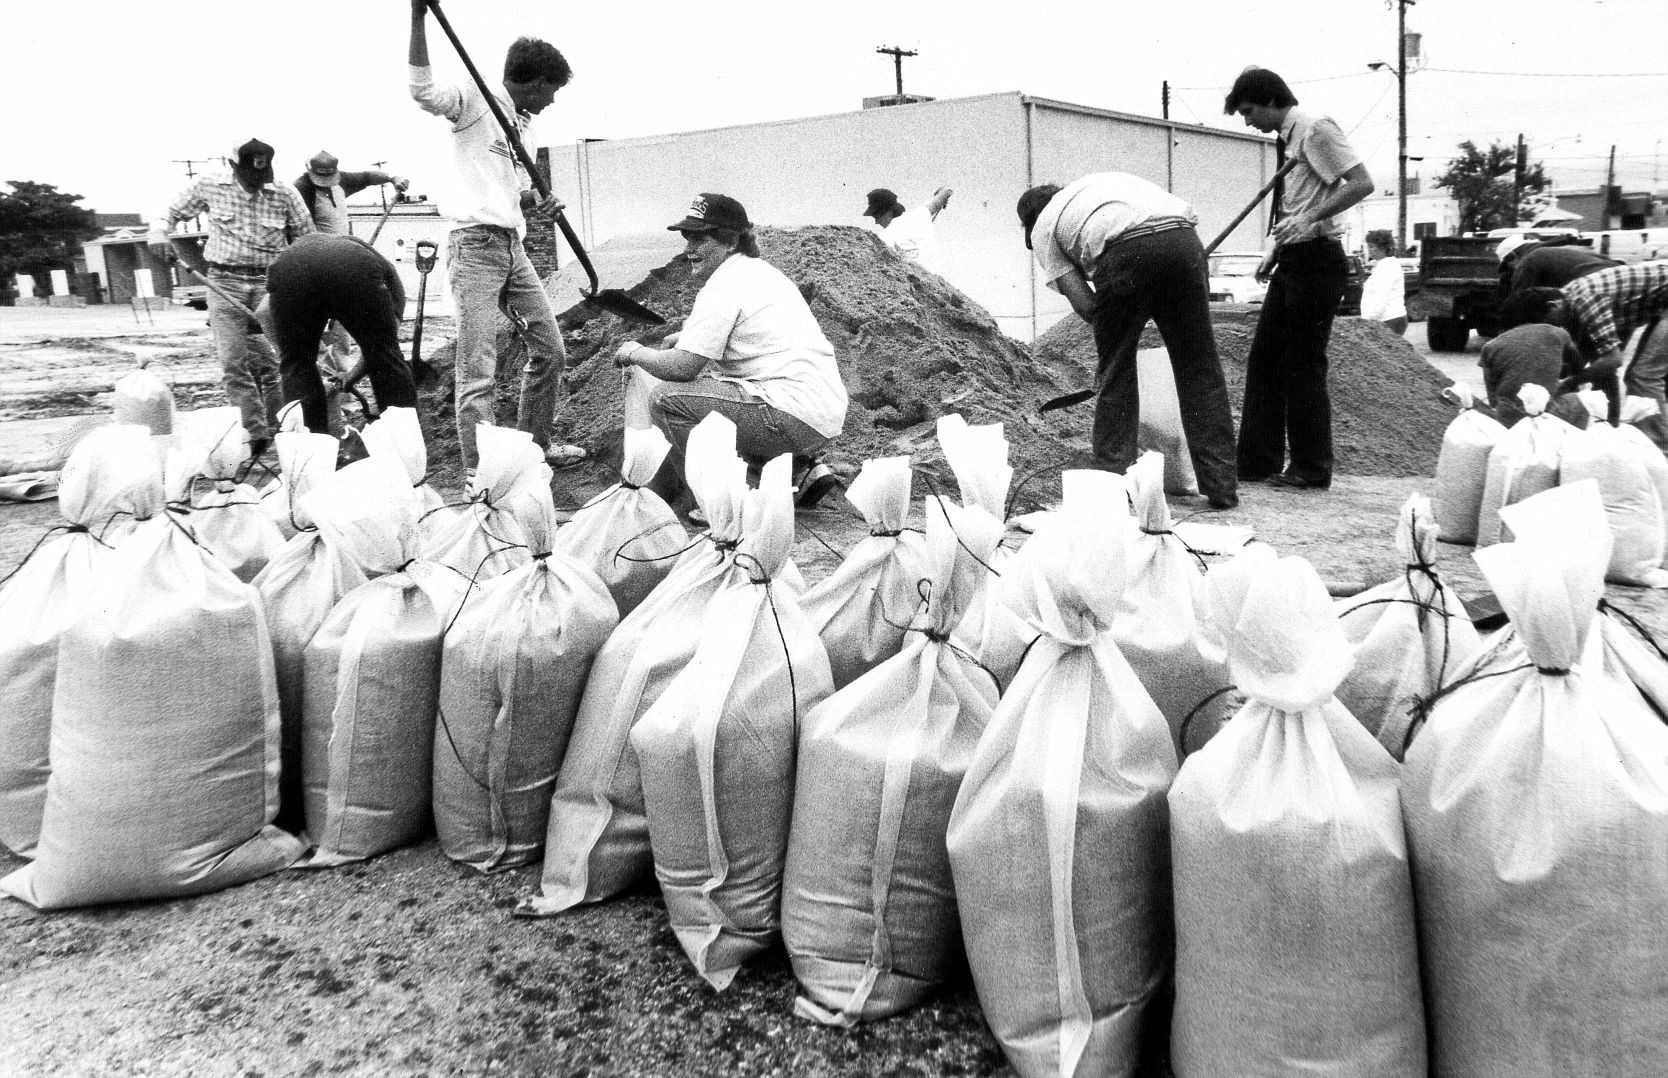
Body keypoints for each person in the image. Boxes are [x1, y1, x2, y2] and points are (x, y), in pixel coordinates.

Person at [408, 2, 584, 472]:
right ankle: (479, 474)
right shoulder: (474, 98)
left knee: (550, 349)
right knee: (478, 369)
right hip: (474, 247)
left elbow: (511, 193)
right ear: (533, 81)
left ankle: (533, 448)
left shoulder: (522, 124)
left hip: (512, 245)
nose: (551, 100)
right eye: (551, 90)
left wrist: (536, 203)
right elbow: (422, 91)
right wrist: (418, 19)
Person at [1016, 173, 1240, 509]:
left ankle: (1112, 483)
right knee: (1200, 367)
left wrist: (1123, 316)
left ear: (1029, 222)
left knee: (1116, 373)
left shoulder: (1044, 228)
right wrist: (1159, 304)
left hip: (1124, 254)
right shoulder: (1094, 190)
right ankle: (1222, 487)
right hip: (1183, 240)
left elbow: (1087, 306)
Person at [613, 193, 847, 510]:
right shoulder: (757, 271)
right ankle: (796, 470)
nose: (688, 250)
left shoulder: (722, 286)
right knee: (721, 390)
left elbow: (682, 368)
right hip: (817, 409)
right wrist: (687, 336)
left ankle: (726, 502)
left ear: (729, 241)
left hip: (790, 413)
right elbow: (754, 330)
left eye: (699, 239)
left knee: (667, 399)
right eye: (687, 238)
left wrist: (635, 353)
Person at [1225, 67, 1374, 490]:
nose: (1248, 120)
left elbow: (1361, 183)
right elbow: (1296, 202)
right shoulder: (1288, 139)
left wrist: (1309, 220)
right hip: (1294, 257)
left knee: (1302, 365)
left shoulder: (1315, 129)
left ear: (1273, 100)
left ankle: (1311, 467)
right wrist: (1275, 248)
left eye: (1250, 110)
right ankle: (1256, 461)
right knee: (1265, 359)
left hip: (1319, 260)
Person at [148, 138, 315, 457]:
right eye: (250, 176)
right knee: (234, 363)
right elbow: (168, 214)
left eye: (263, 175)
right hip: (224, 281)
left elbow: (308, 239)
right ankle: (253, 436)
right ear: (234, 166)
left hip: (271, 282)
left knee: (287, 360)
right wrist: (158, 232)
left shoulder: (283, 192)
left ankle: (287, 428)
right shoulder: (210, 185)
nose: (258, 183)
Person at [263, 234, 419, 438]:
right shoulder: (391, 287)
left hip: (289, 268)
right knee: (386, 357)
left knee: (297, 364)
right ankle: (404, 446)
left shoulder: (317, 253)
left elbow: (262, 314)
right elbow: (379, 349)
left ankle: (309, 454)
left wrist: (291, 350)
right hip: (350, 268)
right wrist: (355, 374)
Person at [1551, 261, 1668, 448]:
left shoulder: (1585, 301)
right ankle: (1624, 431)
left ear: (1552, 306)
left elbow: (1613, 360)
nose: (1555, 329)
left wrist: (1568, 383)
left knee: (1644, 376)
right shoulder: (1570, 300)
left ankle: (1660, 450)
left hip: (1664, 302)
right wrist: (1611, 426)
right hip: (1661, 302)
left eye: (1550, 323)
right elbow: (1601, 364)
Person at [1474, 288, 1591, 430]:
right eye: (1565, 308)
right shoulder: (1558, 333)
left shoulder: (1490, 346)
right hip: (1546, 415)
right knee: (1584, 402)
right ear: (1552, 307)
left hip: (1506, 419)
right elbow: (1579, 367)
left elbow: (1493, 399)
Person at [862, 186, 953, 275]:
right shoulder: (919, 214)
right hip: (942, 279)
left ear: (888, 212)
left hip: (919, 282)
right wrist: (942, 195)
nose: (876, 222)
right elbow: (945, 193)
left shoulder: (886, 236)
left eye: (876, 216)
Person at [1359, 229, 1407, 335]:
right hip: (1391, 319)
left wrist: (1367, 321)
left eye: (1371, 246)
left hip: (1388, 320)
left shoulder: (1386, 268)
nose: (1369, 250)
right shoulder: (1385, 265)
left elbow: (1381, 298)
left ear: (1382, 247)